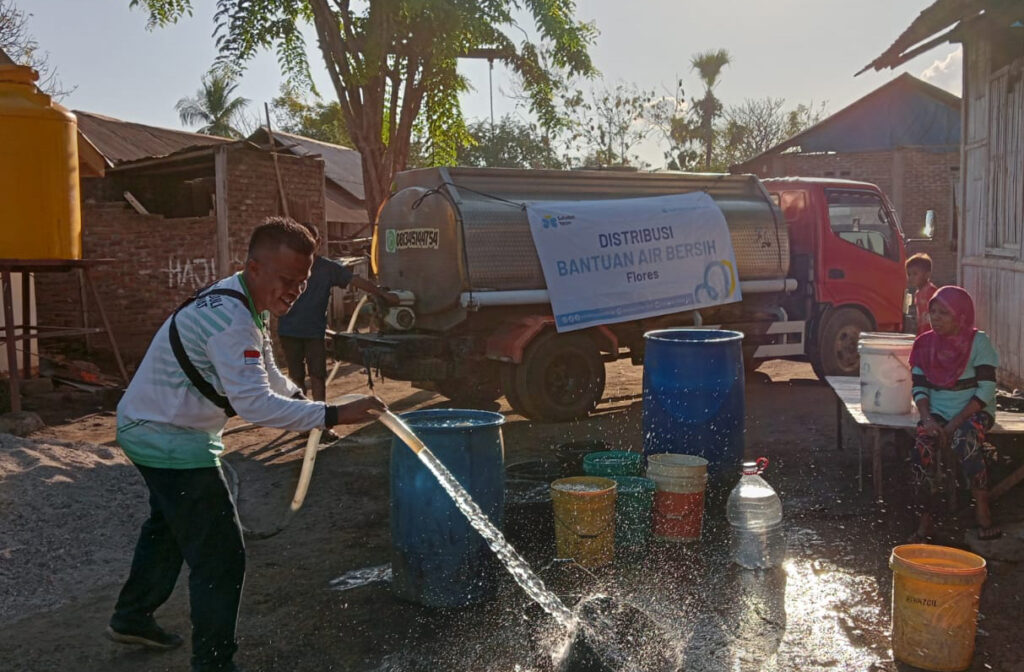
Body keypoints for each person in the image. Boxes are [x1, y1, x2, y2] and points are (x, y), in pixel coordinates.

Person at [107, 217, 386, 672]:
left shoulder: (241, 299)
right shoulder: (232, 320)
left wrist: (306, 404)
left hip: (149, 425)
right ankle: (214, 664)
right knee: (221, 556)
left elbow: (269, 378)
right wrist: (333, 413)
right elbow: (255, 406)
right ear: (254, 267)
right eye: (286, 280)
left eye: (303, 281)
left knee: (169, 526)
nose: (295, 291)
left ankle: (132, 616)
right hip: (170, 438)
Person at [276, 222, 397, 434]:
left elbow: (354, 279)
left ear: (317, 242)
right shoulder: (285, 266)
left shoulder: (326, 268)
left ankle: (322, 423)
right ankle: (303, 422)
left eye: (309, 240)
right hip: (289, 330)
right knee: (296, 379)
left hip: (314, 332)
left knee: (318, 375)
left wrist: (383, 294)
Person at [908, 286, 1001, 543]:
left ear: (961, 317)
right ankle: (925, 521)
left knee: (965, 440)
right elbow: (919, 387)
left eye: (943, 313)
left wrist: (954, 425)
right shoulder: (923, 344)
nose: (934, 318)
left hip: (974, 411)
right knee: (922, 448)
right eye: (933, 312)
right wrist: (927, 419)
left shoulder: (978, 342)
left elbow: (985, 391)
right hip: (936, 412)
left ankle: (983, 513)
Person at [906, 253, 938, 335]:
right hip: (923, 332)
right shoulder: (918, 293)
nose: (911, 277)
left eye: (915, 274)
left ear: (927, 275)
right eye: (909, 274)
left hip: (932, 332)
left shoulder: (932, 292)